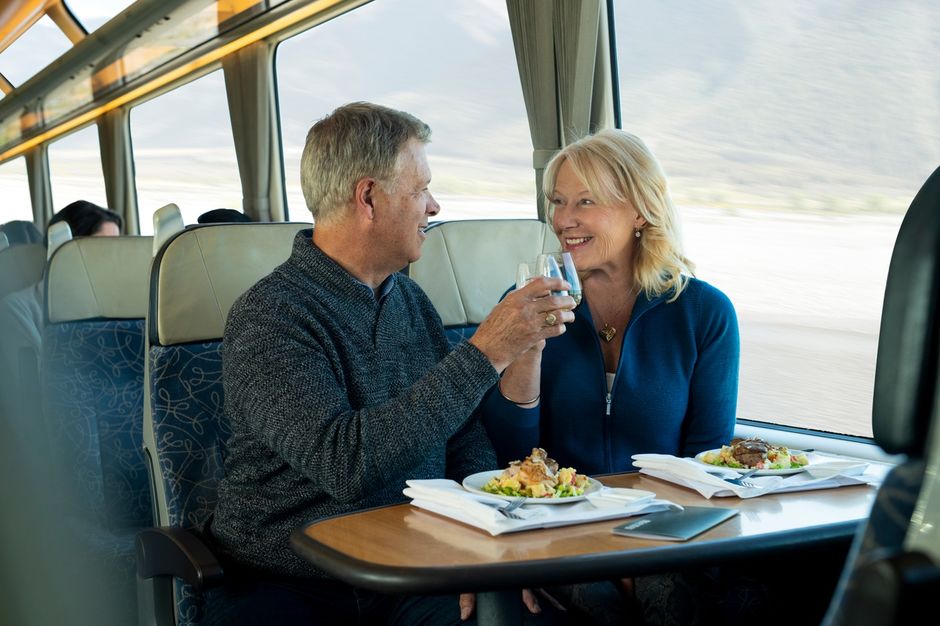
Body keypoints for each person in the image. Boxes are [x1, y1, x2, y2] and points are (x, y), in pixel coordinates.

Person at [207, 102, 574, 626]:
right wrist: (487, 351)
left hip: (414, 564)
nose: (433, 205)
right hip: (292, 579)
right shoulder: (270, 316)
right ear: (368, 198)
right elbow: (346, 463)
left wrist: (487, 541)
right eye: (420, 189)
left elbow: (461, 439)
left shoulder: (409, 301)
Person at [479, 129, 740, 624]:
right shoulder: (521, 307)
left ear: (640, 211)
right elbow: (507, 454)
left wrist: (635, 549)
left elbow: (707, 463)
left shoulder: (705, 312)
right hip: (554, 525)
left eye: (585, 201)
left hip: (664, 530)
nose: (563, 220)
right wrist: (529, 350)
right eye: (557, 201)